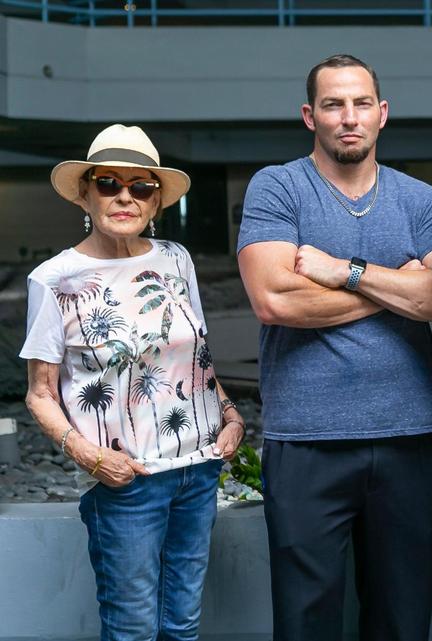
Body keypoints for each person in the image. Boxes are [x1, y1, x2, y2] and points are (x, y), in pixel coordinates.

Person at [236, 54, 432, 641]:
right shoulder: (279, 187)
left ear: (382, 114)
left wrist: (344, 271)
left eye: (362, 103)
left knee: (402, 621)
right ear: (309, 115)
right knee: (305, 623)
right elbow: (276, 301)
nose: (349, 117)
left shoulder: (417, 199)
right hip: (307, 444)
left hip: (407, 442)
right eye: (334, 105)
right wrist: (398, 283)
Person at [22, 123, 245, 641]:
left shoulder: (175, 259)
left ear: (156, 201)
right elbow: (39, 393)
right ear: (85, 192)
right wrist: (91, 456)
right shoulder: (55, 279)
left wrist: (230, 416)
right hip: (126, 480)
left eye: (140, 186)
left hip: (198, 469)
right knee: (133, 630)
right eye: (108, 183)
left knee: (183, 623)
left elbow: (197, 360)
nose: (125, 196)